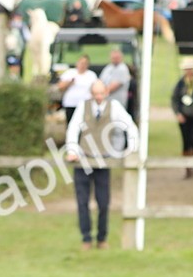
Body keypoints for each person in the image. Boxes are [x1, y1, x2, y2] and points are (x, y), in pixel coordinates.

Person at [65, 80, 138, 251]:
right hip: (83, 160)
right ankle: (86, 238)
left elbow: (130, 126)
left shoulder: (115, 107)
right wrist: (72, 149)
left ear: (106, 92)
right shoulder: (83, 106)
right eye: (95, 93)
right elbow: (73, 129)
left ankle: (102, 237)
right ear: (91, 93)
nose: (98, 96)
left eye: (101, 93)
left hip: (103, 160)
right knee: (82, 202)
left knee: (103, 202)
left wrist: (131, 150)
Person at [58, 55, 98, 126]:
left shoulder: (91, 75)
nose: (82, 65)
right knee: (71, 125)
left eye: (85, 63)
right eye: (81, 63)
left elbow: (95, 89)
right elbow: (60, 87)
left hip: (85, 105)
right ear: (77, 63)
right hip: (71, 104)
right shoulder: (70, 73)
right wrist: (69, 82)